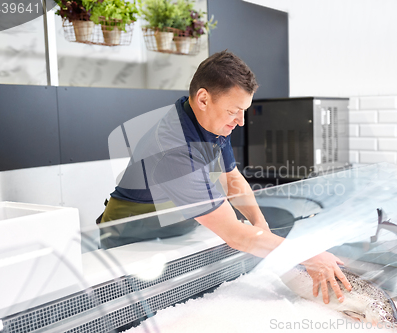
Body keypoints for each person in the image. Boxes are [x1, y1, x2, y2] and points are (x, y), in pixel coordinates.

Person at [98, 50, 352, 304]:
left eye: (243, 111)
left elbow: (232, 180)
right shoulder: (173, 148)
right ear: (203, 99)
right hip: (132, 244)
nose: (241, 121)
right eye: (235, 111)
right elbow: (235, 235)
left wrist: (259, 224)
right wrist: (307, 255)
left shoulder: (211, 121)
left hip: (174, 231)